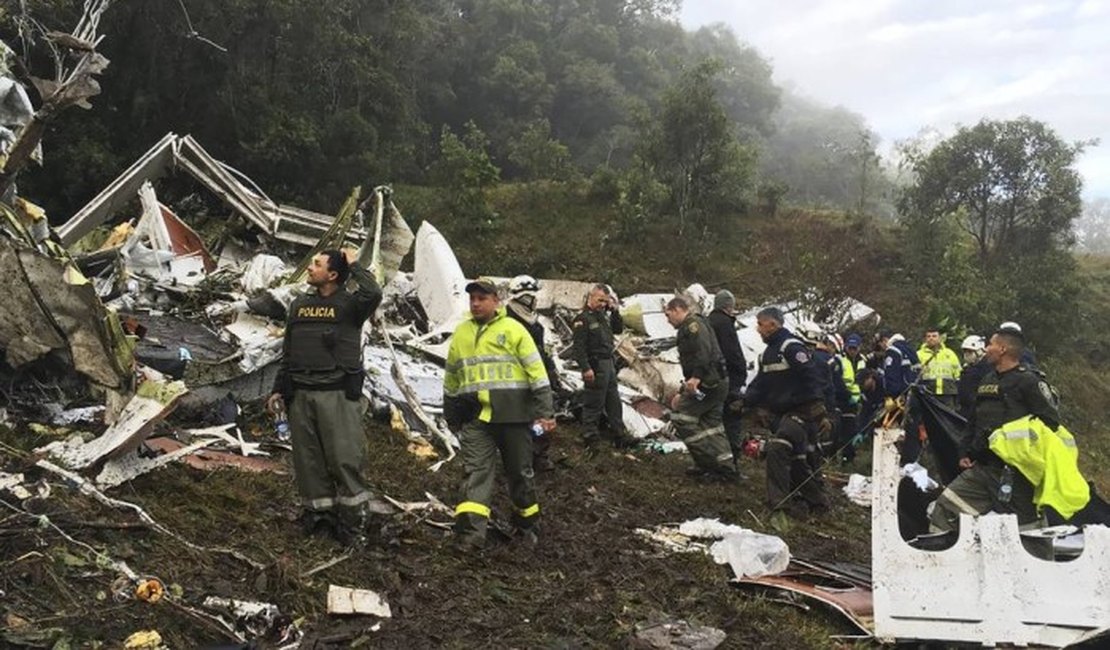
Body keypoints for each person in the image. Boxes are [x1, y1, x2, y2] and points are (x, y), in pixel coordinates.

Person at [267, 248, 385, 546]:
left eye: (316, 264)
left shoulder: (351, 305)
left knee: (345, 460)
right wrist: (278, 389)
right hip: (301, 394)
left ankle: (352, 527)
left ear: (332, 274)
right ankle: (320, 521)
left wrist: (354, 264)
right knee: (309, 464)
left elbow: (373, 292)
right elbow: (288, 351)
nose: (309, 268)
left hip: (336, 395)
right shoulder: (299, 305)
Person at [444, 278, 556, 550]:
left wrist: (545, 413)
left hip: (514, 418)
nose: (476, 303)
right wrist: (451, 414)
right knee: (476, 474)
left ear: (497, 301)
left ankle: (527, 523)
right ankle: (470, 535)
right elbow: (451, 377)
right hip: (477, 419)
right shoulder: (461, 334)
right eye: (472, 299)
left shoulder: (515, 330)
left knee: (519, 473)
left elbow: (537, 374)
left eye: (482, 298)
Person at [929, 329, 1059, 533]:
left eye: (990, 344)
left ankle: (1042, 563)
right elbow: (973, 419)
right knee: (946, 510)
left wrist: (1017, 443)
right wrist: (965, 451)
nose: (987, 349)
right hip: (982, 469)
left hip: (1017, 475)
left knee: (1029, 531)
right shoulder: (987, 379)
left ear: (1003, 349)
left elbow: (1050, 423)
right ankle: (940, 558)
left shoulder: (1029, 382)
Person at [744, 307, 830, 516]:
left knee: (778, 448)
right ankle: (818, 503)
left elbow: (810, 375)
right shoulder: (767, 355)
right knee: (796, 460)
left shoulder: (791, 347)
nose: (757, 329)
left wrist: (818, 407)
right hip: (784, 414)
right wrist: (743, 402)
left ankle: (779, 506)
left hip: (803, 411)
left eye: (760, 324)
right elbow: (760, 385)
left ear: (773, 325)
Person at [664, 296, 737, 480]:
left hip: (708, 384)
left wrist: (696, 378)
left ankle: (708, 463)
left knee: (681, 417)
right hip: (716, 382)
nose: (667, 320)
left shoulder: (692, 326)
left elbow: (702, 352)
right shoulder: (694, 324)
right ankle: (726, 467)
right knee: (712, 424)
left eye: (668, 315)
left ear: (678, 310)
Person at [506, 274, 561, 472]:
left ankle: (539, 455)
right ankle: (517, 458)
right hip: (514, 378)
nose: (532, 299)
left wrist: (551, 371)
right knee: (517, 420)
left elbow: (540, 350)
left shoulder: (534, 322)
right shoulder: (506, 320)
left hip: (536, 375)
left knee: (540, 416)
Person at [570, 284, 634, 447]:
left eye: (605, 301)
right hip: (595, 364)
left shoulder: (602, 317)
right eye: (600, 300)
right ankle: (590, 435)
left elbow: (618, 329)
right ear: (590, 297)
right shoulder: (583, 319)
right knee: (594, 401)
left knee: (613, 400)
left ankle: (619, 434)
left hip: (608, 363)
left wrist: (614, 311)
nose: (603, 304)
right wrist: (585, 368)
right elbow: (579, 347)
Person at [707, 290, 748, 463]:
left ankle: (714, 458)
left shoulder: (708, 322)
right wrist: (741, 373)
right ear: (728, 306)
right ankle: (733, 460)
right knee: (732, 419)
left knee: (713, 420)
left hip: (711, 379)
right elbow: (733, 353)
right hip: (729, 378)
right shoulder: (725, 324)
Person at [837, 334, 867, 461]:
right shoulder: (840, 359)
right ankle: (840, 457)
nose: (852, 350)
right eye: (850, 348)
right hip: (843, 399)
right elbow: (838, 380)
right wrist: (846, 395)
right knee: (841, 429)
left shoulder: (862, 361)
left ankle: (849, 458)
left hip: (858, 400)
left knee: (853, 429)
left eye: (855, 348)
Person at [956, 335, 988, 420]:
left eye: (970, 352)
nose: (966, 355)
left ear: (979, 352)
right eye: (965, 351)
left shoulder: (986, 369)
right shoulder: (967, 369)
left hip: (978, 411)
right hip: (966, 410)